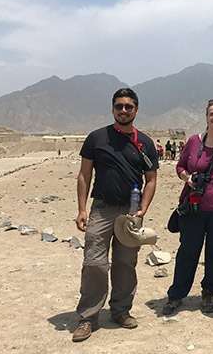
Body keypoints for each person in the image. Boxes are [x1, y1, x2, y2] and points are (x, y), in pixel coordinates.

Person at [72, 88, 159, 342]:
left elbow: (151, 179)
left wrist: (143, 208)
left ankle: (121, 311)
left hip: (131, 212)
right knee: (94, 263)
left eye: (128, 107)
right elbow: (84, 174)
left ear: (136, 110)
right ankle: (88, 317)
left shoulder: (144, 142)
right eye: (119, 106)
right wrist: (81, 209)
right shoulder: (96, 138)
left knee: (125, 264)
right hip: (100, 209)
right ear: (112, 109)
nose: (123, 110)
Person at [162, 99, 213, 315]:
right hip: (193, 207)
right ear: (206, 117)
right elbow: (180, 166)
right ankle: (176, 294)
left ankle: (209, 293)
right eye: (212, 114)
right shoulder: (194, 142)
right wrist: (187, 178)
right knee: (188, 251)